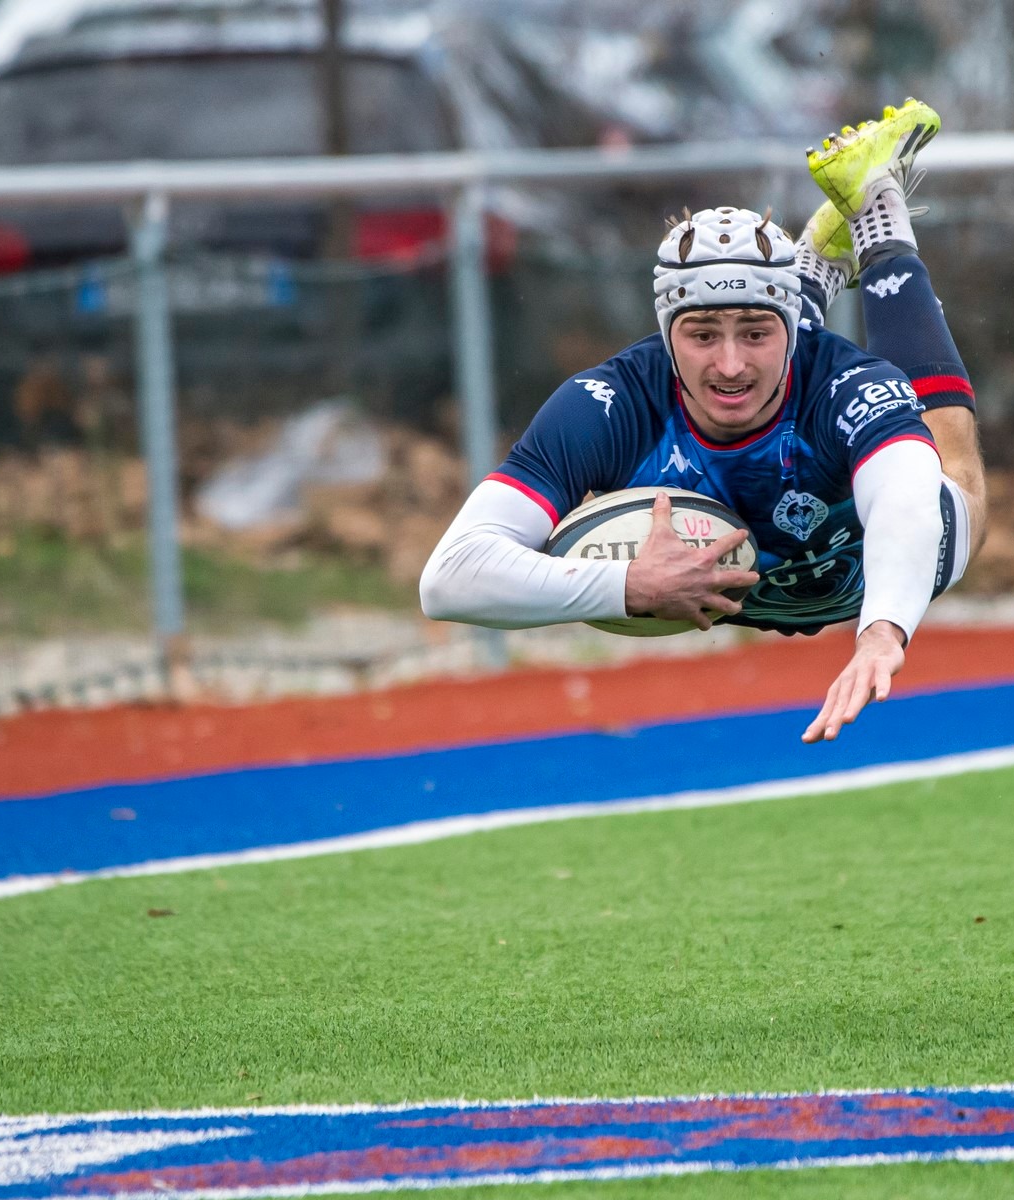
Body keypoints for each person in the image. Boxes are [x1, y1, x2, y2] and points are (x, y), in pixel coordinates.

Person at [421, 99, 985, 743]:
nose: (729, 364)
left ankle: (880, 223)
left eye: (755, 331)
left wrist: (884, 630)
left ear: (790, 335)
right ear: (666, 335)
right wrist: (628, 585)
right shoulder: (610, 402)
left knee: (957, 477)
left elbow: (908, 500)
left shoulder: (849, 384)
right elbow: (448, 579)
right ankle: (805, 273)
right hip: (750, 586)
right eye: (700, 334)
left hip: (861, 572)